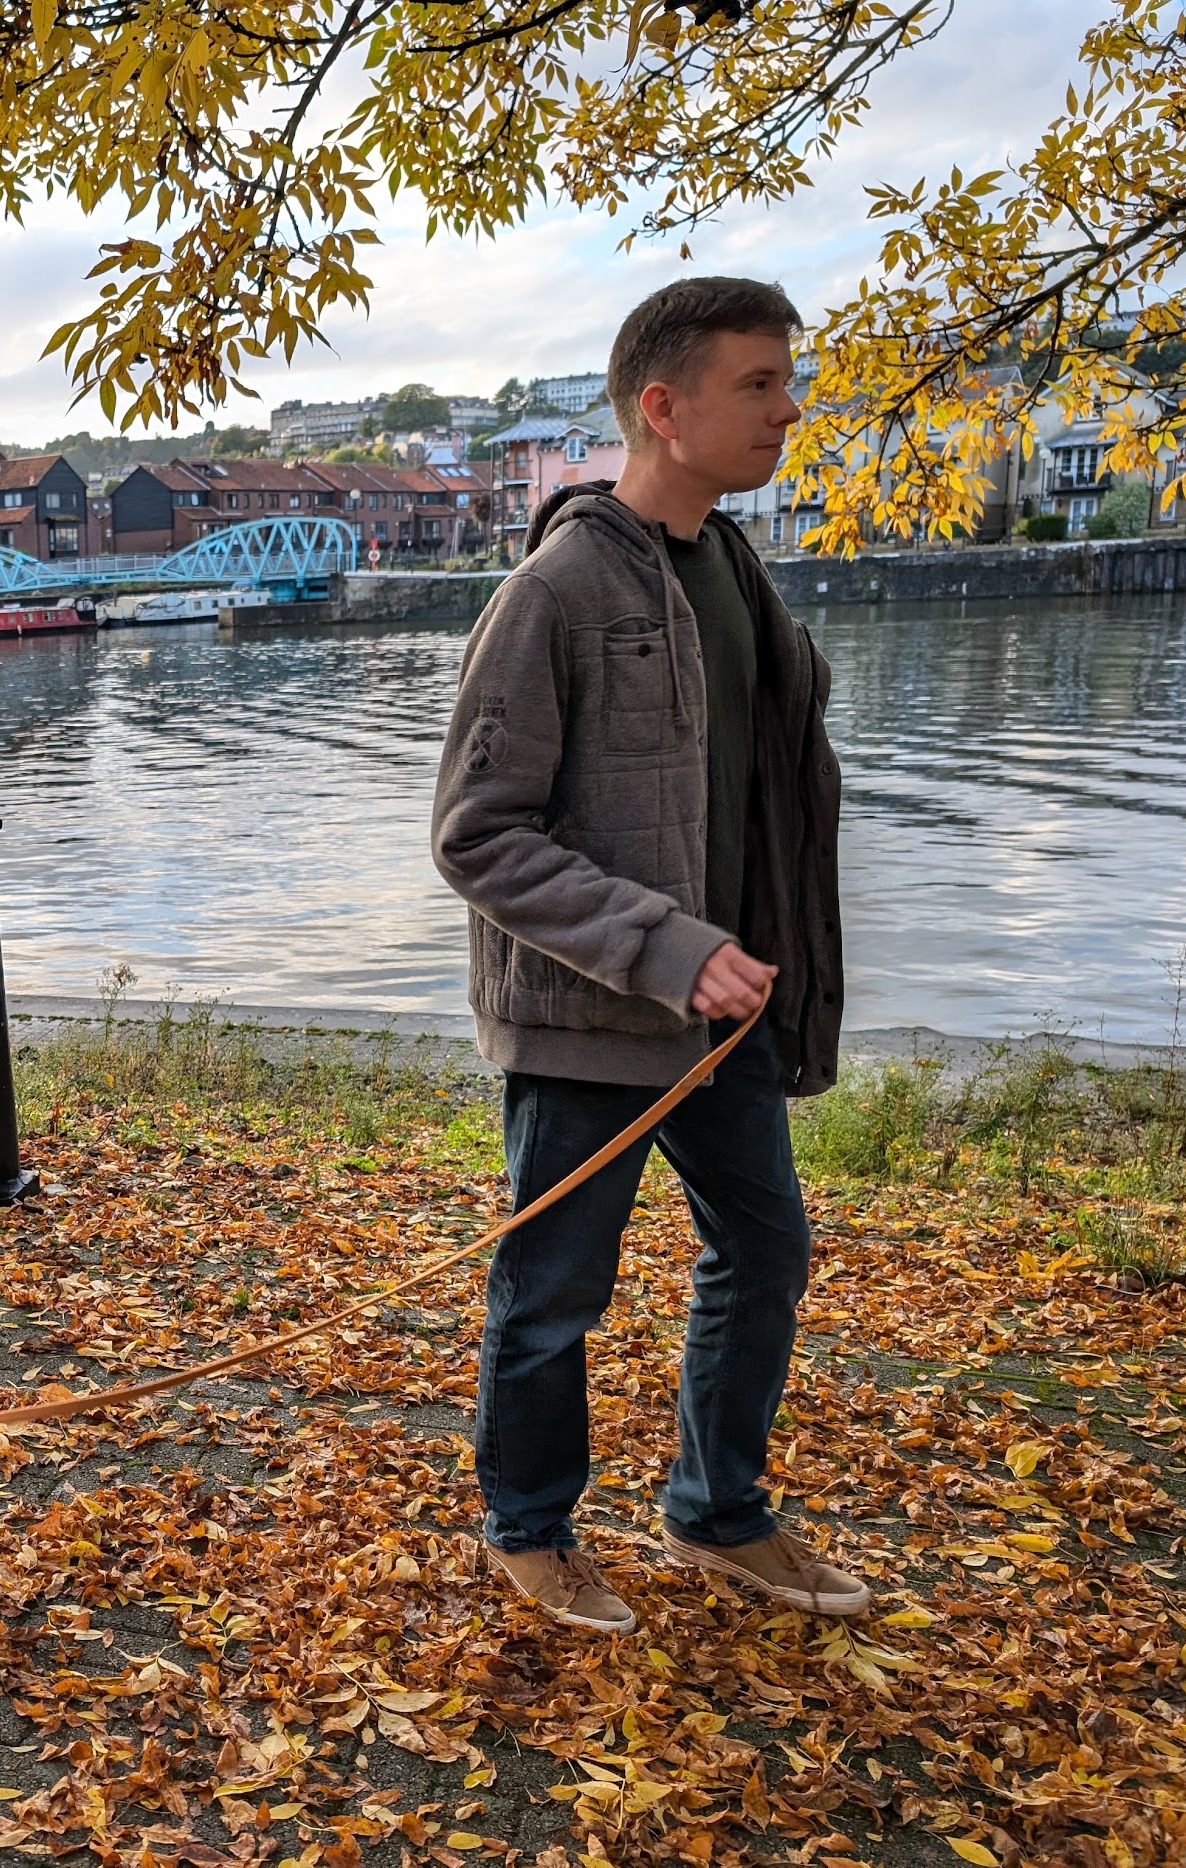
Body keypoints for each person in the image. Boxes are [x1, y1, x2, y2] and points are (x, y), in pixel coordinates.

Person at [430, 277, 858, 1634]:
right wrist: (667, 947)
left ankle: (716, 1512)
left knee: (766, 1250)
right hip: (592, 1019)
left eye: (787, 379)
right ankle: (531, 1529)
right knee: (554, 1295)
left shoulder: (736, 572)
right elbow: (476, 836)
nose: (789, 408)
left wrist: (764, 954)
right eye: (758, 384)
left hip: (730, 1011)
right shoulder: (554, 589)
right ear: (662, 409)